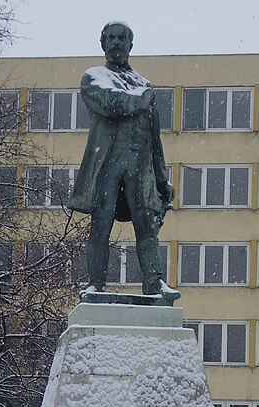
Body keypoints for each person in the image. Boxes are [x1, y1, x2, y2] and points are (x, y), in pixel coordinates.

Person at [68, 21, 180, 301]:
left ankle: (155, 283)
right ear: (103, 43)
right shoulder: (94, 77)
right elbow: (108, 102)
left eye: (122, 38)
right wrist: (138, 101)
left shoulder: (144, 84)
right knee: (101, 224)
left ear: (131, 45)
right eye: (112, 38)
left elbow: (155, 138)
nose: (117, 42)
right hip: (107, 163)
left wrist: (161, 177)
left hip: (140, 165)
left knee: (146, 225)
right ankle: (96, 284)